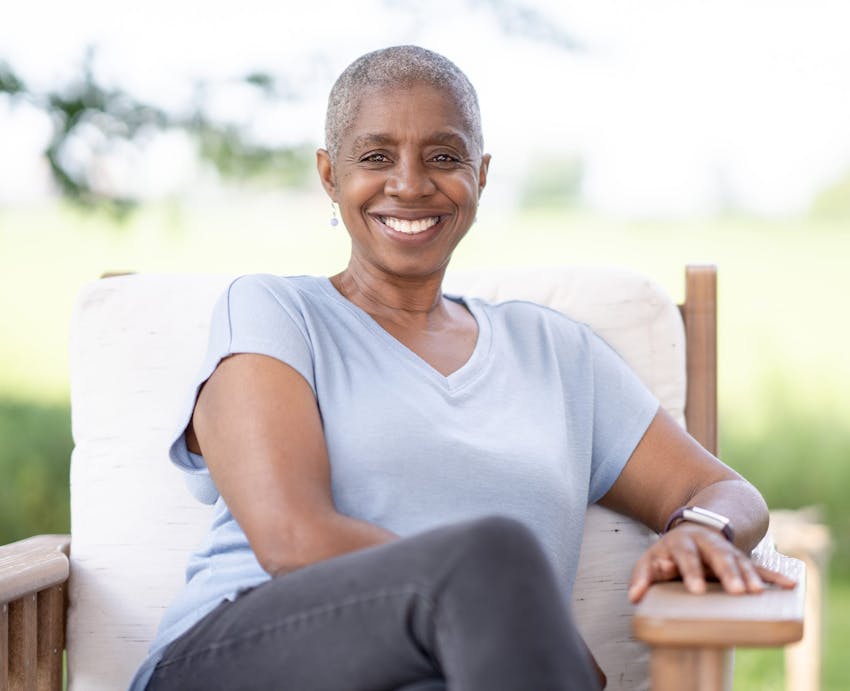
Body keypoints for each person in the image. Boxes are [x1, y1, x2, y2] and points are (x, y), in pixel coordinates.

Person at [130, 45, 794, 691]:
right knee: (494, 556)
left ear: (480, 174)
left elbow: (722, 490)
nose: (411, 183)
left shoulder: (557, 353)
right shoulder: (275, 312)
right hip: (240, 657)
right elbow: (290, 538)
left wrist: (701, 529)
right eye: (376, 156)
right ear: (330, 175)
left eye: (444, 156)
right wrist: (517, 606)